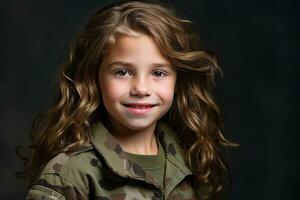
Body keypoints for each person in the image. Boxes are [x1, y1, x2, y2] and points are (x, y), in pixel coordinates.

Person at [19, 0, 235, 199]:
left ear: (178, 81)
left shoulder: (190, 159)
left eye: (158, 73)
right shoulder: (71, 174)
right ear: (94, 78)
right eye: (122, 72)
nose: (141, 88)